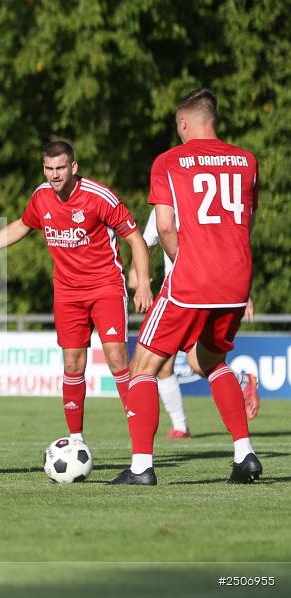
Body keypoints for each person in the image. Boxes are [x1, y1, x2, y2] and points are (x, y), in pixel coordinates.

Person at [111, 89, 260, 485]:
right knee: (207, 361)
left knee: (143, 367)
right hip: (237, 279)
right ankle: (244, 455)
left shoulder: (169, 161)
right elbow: (247, 222)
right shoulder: (247, 161)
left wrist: (187, 263)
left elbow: (163, 227)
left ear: (183, 123)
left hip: (193, 278)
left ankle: (141, 467)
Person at [0, 141, 153, 442]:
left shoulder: (98, 197)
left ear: (73, 167)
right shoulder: (40, 197)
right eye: (49, 168)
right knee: (73, 364)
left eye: (60, 167)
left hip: (105, 287)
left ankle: (140, 442)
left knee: (116, 358)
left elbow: (136, 239)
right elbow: (23, 225)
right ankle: (75, 442)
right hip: (67, 293)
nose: (54, 174)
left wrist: (143, 283)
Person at [129, 211, 260, 439]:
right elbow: (146, 241)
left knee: (150, 363)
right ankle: (186, 425)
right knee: (192, 364)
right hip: (184, 293)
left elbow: (231, 242)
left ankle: (142, 462)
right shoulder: (166, 205)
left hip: (187, 294)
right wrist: (139, 275)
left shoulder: (204, 200)